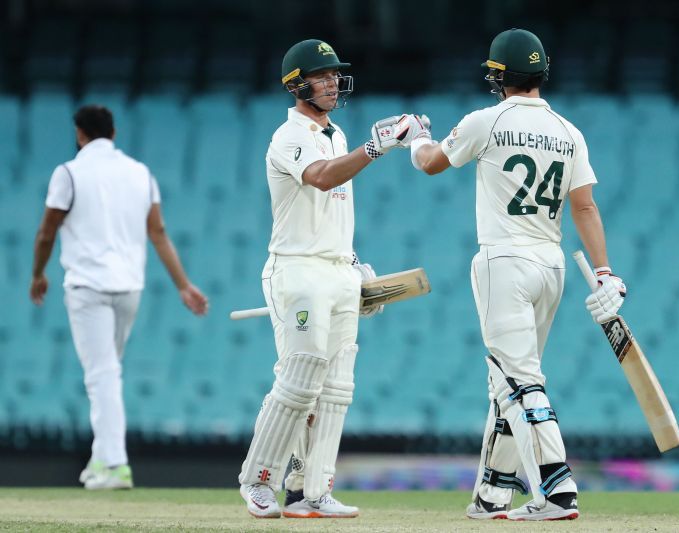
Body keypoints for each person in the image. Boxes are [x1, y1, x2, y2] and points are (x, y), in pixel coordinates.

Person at [410, 28, 626, 521]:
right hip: (552, 265)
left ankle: (556, 489)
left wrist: (413, 139)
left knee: (518, 380)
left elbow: (431, 165)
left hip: (503, 261)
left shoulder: (486, 121)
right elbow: (586, 207)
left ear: (499, 76)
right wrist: (606, 272)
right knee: (505, 381)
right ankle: (492, 494)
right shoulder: (569, 131)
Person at [237, 39, 427, 519]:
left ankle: (310, 492)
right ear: (297, 84)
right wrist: (376, 146)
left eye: (334, 75)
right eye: (322, 76)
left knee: (337, 388)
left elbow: (331, 207)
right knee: (300, 381)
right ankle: (259, 481)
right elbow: (320, 178)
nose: (332, 83)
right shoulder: (290, 136)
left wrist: (352, 262)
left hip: (335, 269)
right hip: (297, 270)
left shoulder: (335, 135)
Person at [30, 105, 209, 490]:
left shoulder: (69, 173)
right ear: (113, 132)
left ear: (80, 134)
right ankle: (100, 459)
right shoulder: (139, 173)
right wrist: (182, 284)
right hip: (129, 287)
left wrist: (37, 274)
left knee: (102, 374)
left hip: (88, 287)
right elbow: (158, 233)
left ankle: (114, 464)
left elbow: (47, 232)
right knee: (108, 372)